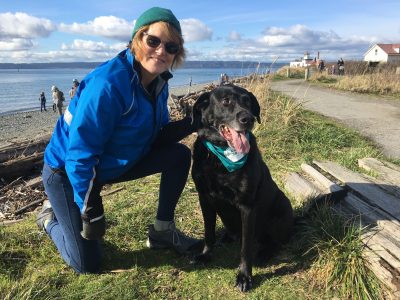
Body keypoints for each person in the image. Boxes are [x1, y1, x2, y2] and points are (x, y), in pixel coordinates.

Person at [36, 7, 201, 274]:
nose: (161, 51)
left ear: (176, 54)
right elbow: (79, 156)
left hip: (111, 164)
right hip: (67, 171)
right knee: (87, 264)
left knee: (179, 156)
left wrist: (193, 123)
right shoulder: (108, 85)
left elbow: (156, 137)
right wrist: (90, 207)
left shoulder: (159, 82)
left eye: (170, 46)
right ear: (138, 39)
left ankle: (162, 232)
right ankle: (48, 219)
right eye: (154, 41)